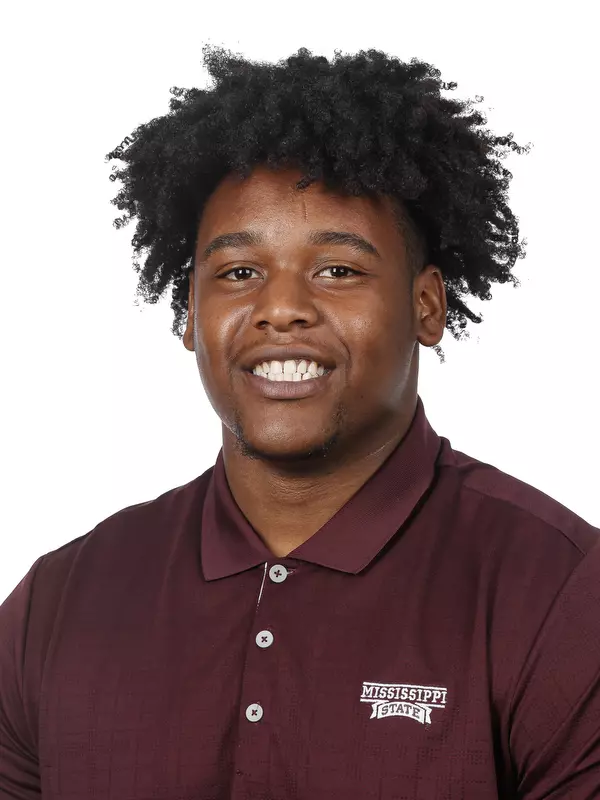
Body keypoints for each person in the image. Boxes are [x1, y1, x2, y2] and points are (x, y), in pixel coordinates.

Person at [1, 45, 598, 800]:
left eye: (338, 270)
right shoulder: (55, 606)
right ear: (190, 313)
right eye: (239, 273)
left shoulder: (561, 593)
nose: (281, 307)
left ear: (427, 306)